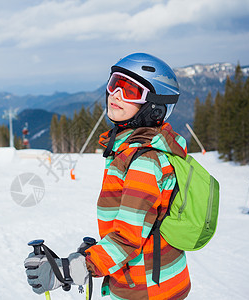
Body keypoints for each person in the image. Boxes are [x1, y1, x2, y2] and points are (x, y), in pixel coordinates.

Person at [24, 53, 191, 299]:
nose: (116, 95)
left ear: (155, 106)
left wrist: (72, 269)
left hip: (146, 289)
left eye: (131, 90)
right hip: (154, 281)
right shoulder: (132, 151)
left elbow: (128, 238)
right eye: (115, 84)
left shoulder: (145, 161)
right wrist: (95, 252)